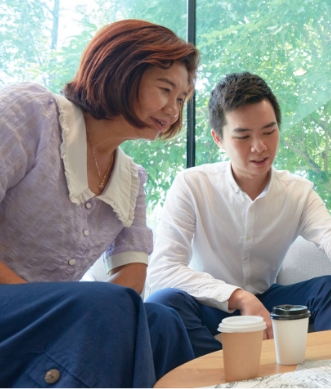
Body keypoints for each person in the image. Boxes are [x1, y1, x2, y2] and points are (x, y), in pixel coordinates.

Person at [147, 72, 331, 358]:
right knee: (162, 303)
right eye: (243, 136)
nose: (260, 147)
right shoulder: (192, 185)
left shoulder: (297, 192)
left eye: (269, 131)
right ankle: (225, 370)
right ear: (218, 139)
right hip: (208, 302)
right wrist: (237, 296)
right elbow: (163, 269)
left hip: (268, 299)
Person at [0, 19, 199, 387]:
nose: (173, 109)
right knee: (107, 306)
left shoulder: (131, 180)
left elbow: (131, 277)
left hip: (57, 316)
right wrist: (54, 307)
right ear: (122, 70)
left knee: (163, 322)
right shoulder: (31, 113)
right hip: (13, 310)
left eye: (182, 99)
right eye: (165, 89)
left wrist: (63, 310)